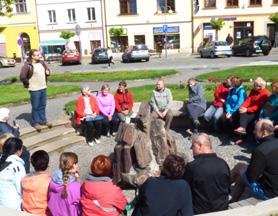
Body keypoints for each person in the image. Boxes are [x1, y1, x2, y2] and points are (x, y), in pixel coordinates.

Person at [231, 119, 278, 202]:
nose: (253, 132)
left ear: (264, 132)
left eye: (256, 129)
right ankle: (233, 200)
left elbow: (251, 178)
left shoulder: (260, 150)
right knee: (241, 175)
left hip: (271, 195)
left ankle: (221, 188)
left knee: (239, 168)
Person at [184, 133, 230, 214]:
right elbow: (228, 188)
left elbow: (185, 191)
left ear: (200, 146)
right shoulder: (223, 164)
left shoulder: (192, 167)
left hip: (200, 212)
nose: (192, 150)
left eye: (193, 146)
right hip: (222, 210)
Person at [20, 49, 52, 132]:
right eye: (37, 55)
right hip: (34, 89)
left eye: (39, 54)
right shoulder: (27, 65)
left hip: (43, 87)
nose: (39, 56)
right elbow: (22, 77)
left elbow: (47, 71)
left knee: (43, 105)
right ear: (32, 56)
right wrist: (29, 83)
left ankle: (43, 121)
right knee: (36, 106)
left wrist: (48, 72)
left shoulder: (41, 63)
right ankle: (35, 123)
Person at [48, 152, 81, 216]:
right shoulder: (75, 186)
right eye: (76, 163)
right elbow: (79, 204)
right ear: (73, 165)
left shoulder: (53, 180)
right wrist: (76, 180)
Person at [0, 107, 30, 173]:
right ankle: (25, 172)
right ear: (4, 117)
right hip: (10, 149)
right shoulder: (4, 128)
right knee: (25, 153)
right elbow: (14, 139)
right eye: (7, 115)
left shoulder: (3, 124)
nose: (8, 116)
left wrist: (13, 128)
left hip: (5, 148)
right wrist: (16, 129)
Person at [22, 150, 51, 215]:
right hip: (42, 213)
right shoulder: (49, 182)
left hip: (26, 212)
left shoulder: (25, 179)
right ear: (48, 165)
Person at [0, 137, 26, 211]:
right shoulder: (17, 166)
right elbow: (21, 189)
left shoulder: (2, 160)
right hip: (14, 207)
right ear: (18, 151)